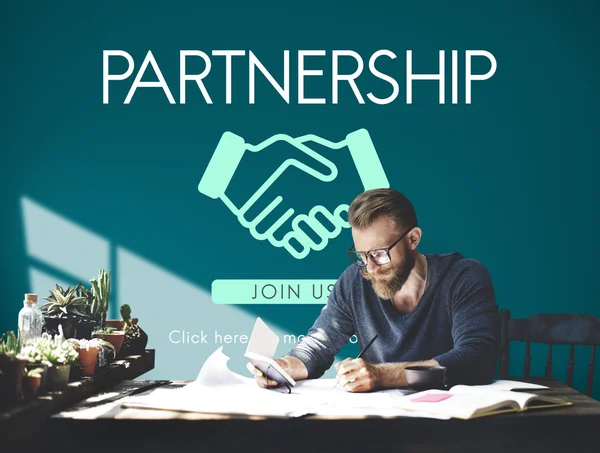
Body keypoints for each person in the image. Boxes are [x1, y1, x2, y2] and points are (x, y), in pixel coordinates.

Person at [247, 188, 499, 392]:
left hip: (453, 422)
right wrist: (286, 366)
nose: (370, 267)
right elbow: (319, 346)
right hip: (382, 421)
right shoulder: (354, 281)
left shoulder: (463, 276)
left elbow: (477, 359)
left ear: (413, 238)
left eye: (379, 253)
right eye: (361, 255)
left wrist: (384, 375)